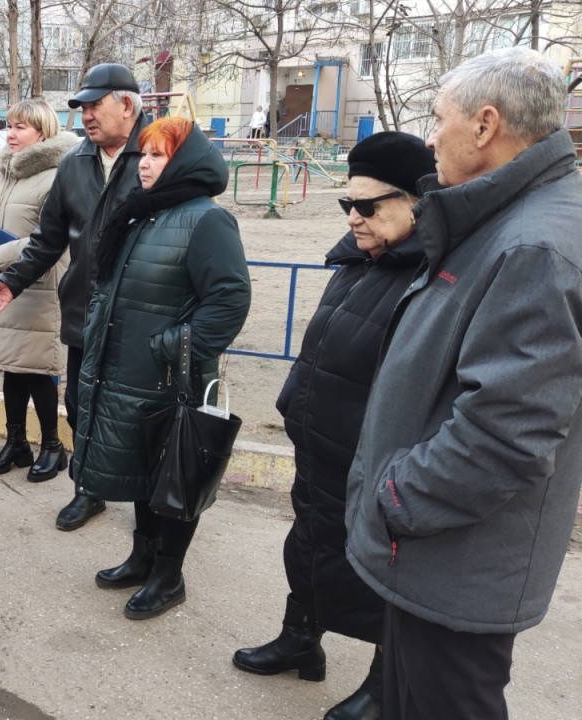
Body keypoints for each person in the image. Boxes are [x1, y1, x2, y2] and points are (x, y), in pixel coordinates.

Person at [344, 46, 582, 719]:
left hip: (454, 557)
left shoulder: (535, 243)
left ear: (484, 126)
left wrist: (395, 498)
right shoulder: (507, 219)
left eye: (436, 117)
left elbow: (507, 433)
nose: (428, 134)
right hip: (434, 551)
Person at [232, 132, 434, 720]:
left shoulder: (427, 274)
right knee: (311, 546)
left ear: (415, 203)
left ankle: (382, 682)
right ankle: (301, 640)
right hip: (320, 445)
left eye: (367, 206)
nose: (353, 216)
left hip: (372, 460)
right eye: (347, 204)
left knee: (380, 571)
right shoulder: (360, 258)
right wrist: (296, 405)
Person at [76, 117, 250, 620]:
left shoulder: (205, 219)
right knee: (141, 466)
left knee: (174, 474)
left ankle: (168, 576)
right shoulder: (145, 214)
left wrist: (170, 348)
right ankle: (142, 556)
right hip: (130, 372)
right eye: (144, 154)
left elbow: (230, 299)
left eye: (157, 155)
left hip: (173, 377)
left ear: (184, 162)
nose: (144, 164)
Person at [0, 63, 151, 531]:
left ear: (127, 105)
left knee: (137, 417)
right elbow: (47, 239)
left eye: (96, 105)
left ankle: (149, 513)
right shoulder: (75, 163)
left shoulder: (159, 155)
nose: (87, 115)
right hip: (83, 310)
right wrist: (12, 279)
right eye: (82, 107)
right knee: (81, 406)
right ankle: (88, 489)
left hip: (139, 317)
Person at [0, 99, 77, 480]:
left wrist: (1, 255)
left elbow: (52, 238)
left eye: (20, 127)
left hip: (38, 287)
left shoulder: (58, 175)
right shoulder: (3, 174)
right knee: (12, 369)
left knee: (37, 370)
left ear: (42, 133)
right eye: (8, 126)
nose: (10, 134)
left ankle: (52, 445)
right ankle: (16, 443)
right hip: (1, 283)